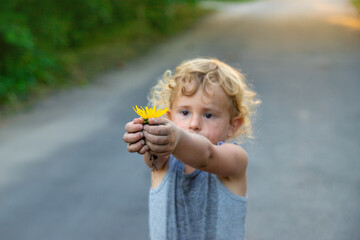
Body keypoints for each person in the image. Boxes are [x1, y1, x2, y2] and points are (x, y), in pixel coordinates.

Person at [123, 58, 260, 240]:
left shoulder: (234, 159)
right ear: (169, 117)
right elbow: (153, 160)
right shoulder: (163, 160)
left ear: (233, 125)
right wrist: (146, 136)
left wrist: (177, 138)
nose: (194, 124)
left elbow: (207, 156)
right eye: (185, 113)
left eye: (209, 115)